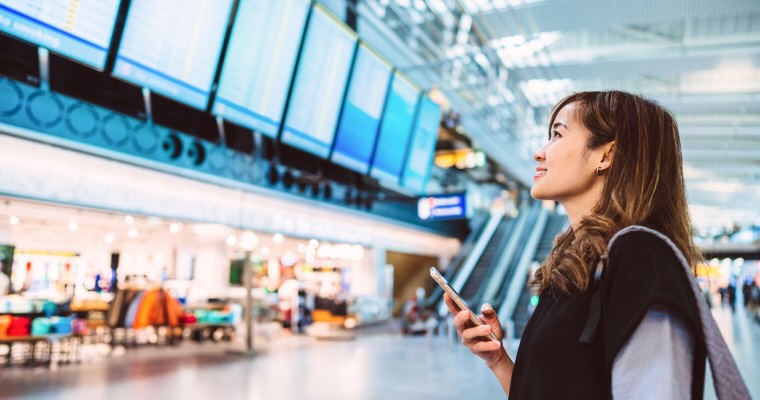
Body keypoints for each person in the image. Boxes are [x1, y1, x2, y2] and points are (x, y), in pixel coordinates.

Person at [445, 91, 720, 399]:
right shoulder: (575, 264)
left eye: (557, 135)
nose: (539, 152)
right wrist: (498, 361)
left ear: (605, 155)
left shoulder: (641, 260)